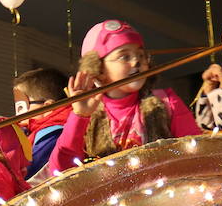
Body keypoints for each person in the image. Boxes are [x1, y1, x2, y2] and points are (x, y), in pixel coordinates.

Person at [50, 20, 199, 173]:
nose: (136, 61)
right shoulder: (84, 114)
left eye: (141, 55)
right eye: (124, 57)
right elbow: (60, 171)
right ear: (98, 68)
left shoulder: (166, 101)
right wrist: (80, 116)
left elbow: (198, 154)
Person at [12, 67, 69, 181]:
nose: (17, 115)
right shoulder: (34, 134)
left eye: (21, 107)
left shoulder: (54, 133)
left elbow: (27, 169)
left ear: (47, 106)